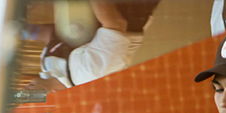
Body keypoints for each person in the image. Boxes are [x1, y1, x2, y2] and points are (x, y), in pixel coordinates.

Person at [25, 0, 160, 93]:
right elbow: (115, 23)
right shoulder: (90, 73)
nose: (27, 89)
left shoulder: (48, 68)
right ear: (54, 94)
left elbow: (54, 37)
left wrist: (26, 31)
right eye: (32, 93)